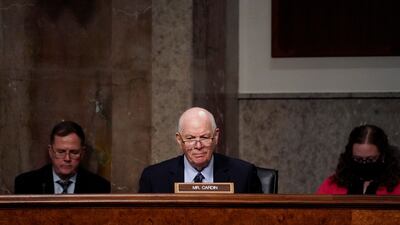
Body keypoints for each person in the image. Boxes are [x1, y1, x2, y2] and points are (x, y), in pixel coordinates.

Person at [139, 107, 262, 193]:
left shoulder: (244, 174)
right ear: (179, 139)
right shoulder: (153, 177)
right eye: (190, 138)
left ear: (216, 136)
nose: (198, 146)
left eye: (204, 137)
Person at [14, 121, 111, 194]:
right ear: (51, 152)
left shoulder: (100, 187)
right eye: (61, 152)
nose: (67, 158)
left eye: (74, 152)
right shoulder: (25, 184)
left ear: (82, 153)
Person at [317, 124, 400, 195]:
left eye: (370, 159)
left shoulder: (397, 186)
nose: (364, 164)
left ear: (383, 156)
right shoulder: (332, 185)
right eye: (358, 159)